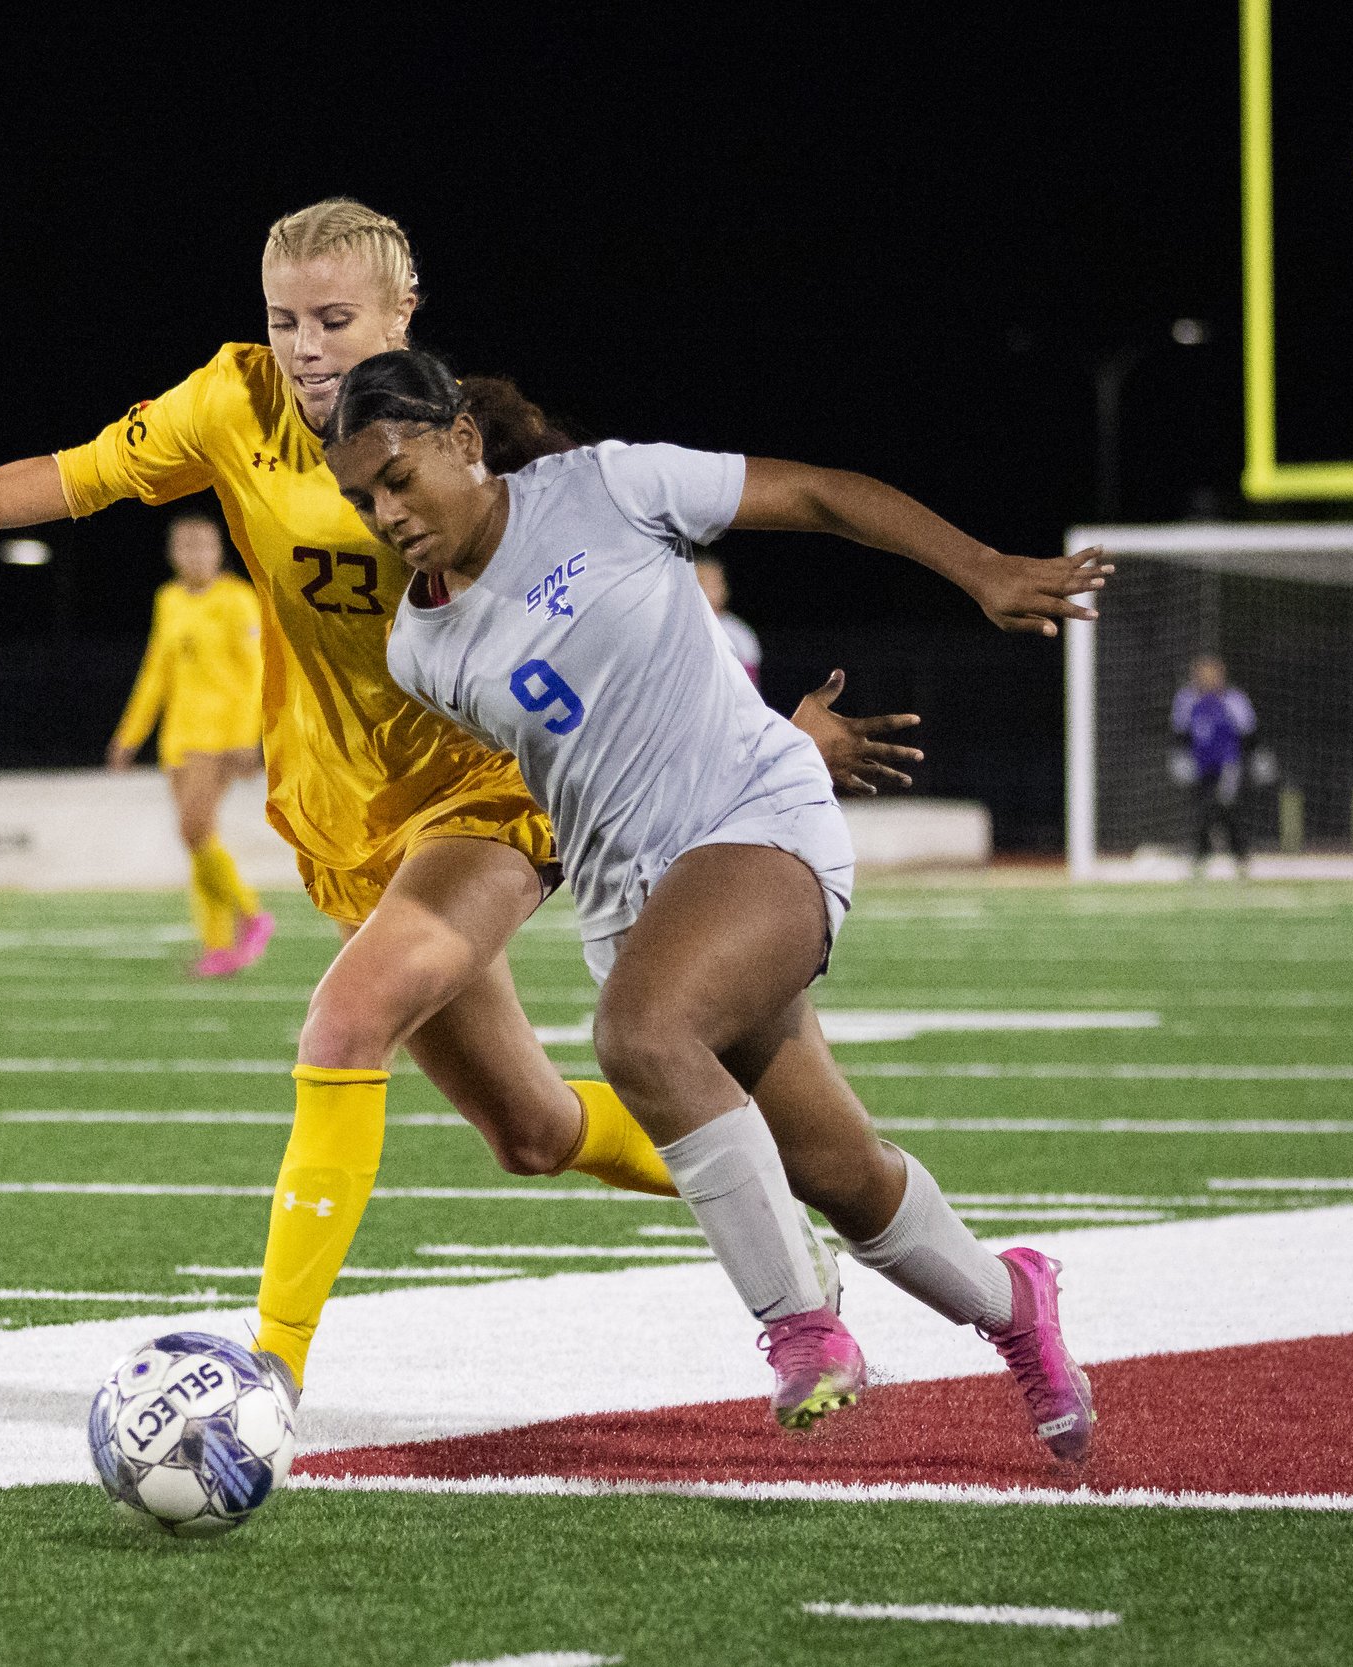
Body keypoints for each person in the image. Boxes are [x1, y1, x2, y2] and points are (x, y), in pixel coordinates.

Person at [0, 198, 917, 1395]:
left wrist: (770, 732)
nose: (304, 345)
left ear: (402, 314)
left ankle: (261, 1380)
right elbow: (75, 477)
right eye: (284, 318)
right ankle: (773, 1207)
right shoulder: (227, 405)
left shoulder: (467, 448)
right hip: (344, 809)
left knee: (344, 1023)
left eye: (335, 318)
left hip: (488, 793)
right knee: (532, 1131)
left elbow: (629, 619)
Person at [327, 346, 1108, 1457]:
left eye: (397, 476)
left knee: (640, 1033)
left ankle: (802, 1324)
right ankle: (1016, 1302)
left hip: (760, 826)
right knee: (844, 1175)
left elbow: (823, 494)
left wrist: (979, 567)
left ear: (461, 441)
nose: (383, 512)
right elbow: (594, 753)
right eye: (360, 497)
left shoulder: (609, 485)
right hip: (637, 907)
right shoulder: (419, 645)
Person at [106, 511, 274, 976]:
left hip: (220, 737)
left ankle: (252, 913)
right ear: (172, 553)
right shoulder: (169, 599)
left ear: (219, 552)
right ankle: (218, 944)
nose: (196, 556)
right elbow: (156, 669)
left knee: (193, 829)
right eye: (186, 547)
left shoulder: (239, 600)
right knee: (199, 838)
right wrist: (130, 733)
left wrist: (248, 738)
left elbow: (259, 673)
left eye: (205, 547)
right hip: (178, 737)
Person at [1173, 653, 1256, 876]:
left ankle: (1231, 856)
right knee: (1205, 809)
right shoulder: (1186, 699)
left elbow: (1249, 734)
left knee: (1223, 808)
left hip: (1228, 767)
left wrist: (1254, 760)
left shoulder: (1234, 700)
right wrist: (1181, 759)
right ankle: (1209, 856)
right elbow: (1180, 734)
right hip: (1201, 766)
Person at [694, 554, 762, 685]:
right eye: (701, 582)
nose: (707, 589)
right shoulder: (674, 629)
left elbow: (749, 690)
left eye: (714, 583)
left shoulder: (738, 634)